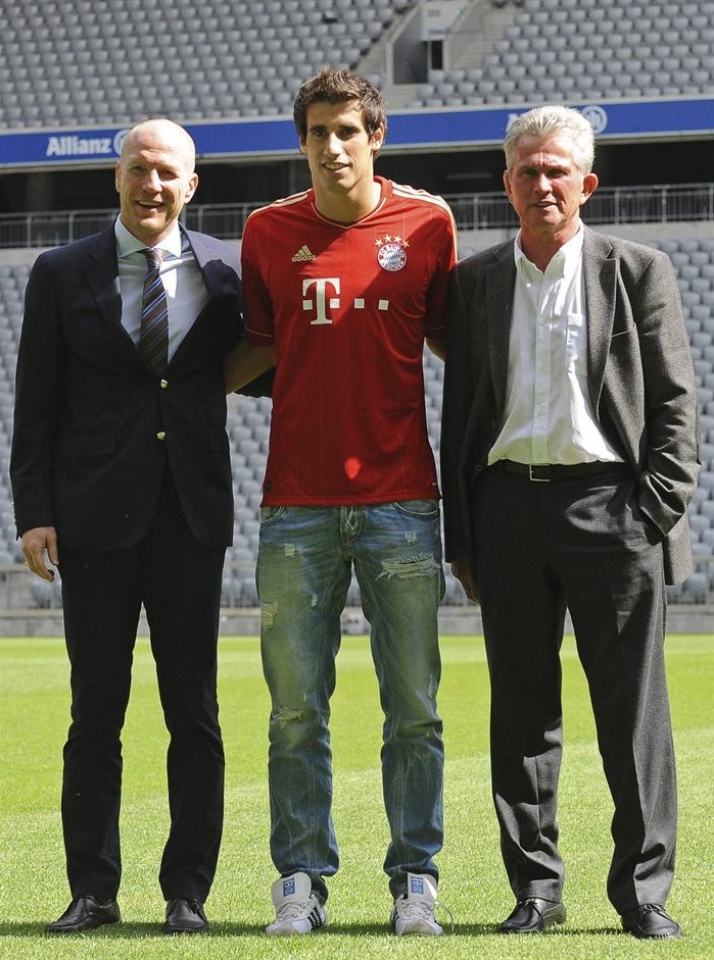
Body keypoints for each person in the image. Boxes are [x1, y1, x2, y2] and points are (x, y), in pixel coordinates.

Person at [441, 104, 700, 939]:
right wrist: (465, 535)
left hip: (612, 509)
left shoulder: (638, 269)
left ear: (587, 183)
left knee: (633, 715)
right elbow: (459, 417)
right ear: (505, 183)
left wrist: (647, 514)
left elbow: (676, 406)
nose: (543, 183)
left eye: (558, 171)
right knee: (520, 712)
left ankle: (643, 894)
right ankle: (537, 891)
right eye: (528, 170)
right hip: (507, 506)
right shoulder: (475, 280)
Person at [10, 118, 267, 935]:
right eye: (138, 170)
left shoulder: (228, 270)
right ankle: (93, 890)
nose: (151, 185)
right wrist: (34, 515)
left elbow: (265, 366)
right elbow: (36, 404)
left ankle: (187, 892)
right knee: (96, 714)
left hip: (190, 520)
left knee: (194, 713)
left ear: (192, 187)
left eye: (167, 174)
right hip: (92, 523)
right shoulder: (60, 272)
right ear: (115, 178)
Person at [224, 67, 457, 937]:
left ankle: (415, 880)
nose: (333, 147)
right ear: (302, 142)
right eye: (318, 133)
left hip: (402, 503)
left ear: (376, 137)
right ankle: (301, 880)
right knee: (294, 713)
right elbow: (251, 350)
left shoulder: (429, 224)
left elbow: (458, 352)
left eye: (349, 131)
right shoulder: (265, 232)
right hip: (296, 508)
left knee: (416, 710)